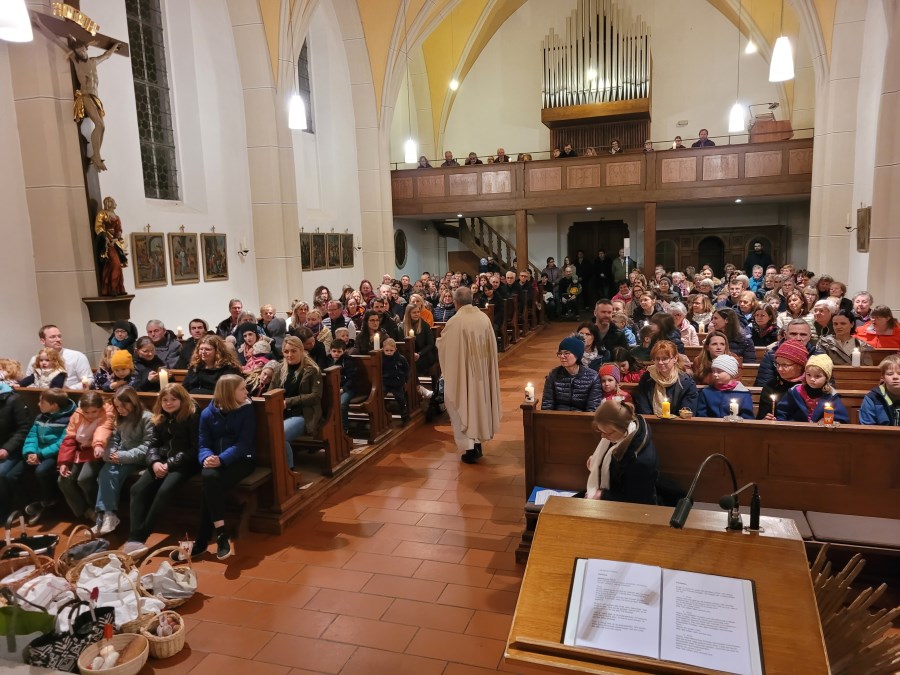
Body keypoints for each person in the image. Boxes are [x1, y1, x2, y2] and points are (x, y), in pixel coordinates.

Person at [181, 375, 256, 560]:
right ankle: (221, 533)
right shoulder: (208, 413)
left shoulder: (247, 409)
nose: (246, 392)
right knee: (210, 479)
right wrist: (207, 457)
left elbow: (244, 444)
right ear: (229, 392)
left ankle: (202, 541)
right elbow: (203, 443)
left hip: (242, 460)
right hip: (214, 460)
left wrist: (221, 459)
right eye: (242, 389)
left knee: (210, 486)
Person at [122, 384, 199, 556]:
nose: (169, 403)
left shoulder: (192, 416)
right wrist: (155, 462)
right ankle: (134, 538)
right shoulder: (160, 417)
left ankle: (141, 536)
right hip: (161, 462)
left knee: (164, 491)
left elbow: (194, 449)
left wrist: (170, 464)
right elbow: (153, 444)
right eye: (165, 400)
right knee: (137, 489)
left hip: (184, 464)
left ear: (182, 399)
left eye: (173, 399)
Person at [437, 287, 501, 464]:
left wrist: (438, 343)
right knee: (480, 406)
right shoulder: (483, 318)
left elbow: (446, 348)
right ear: (472, 299)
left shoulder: (456, 321)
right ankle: (478, 443)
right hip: (482, 374)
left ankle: (470, 448)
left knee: (462, 405)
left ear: (456, 302)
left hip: (465, 375)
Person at [91, 387, 153, 536]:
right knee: (106, 472)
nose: (120, 410)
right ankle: (108, 515)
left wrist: (122, 456)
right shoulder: (120, 418)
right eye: (117, 407)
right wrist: (111, 453)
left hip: (138, 459)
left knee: (107, 473)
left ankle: (105, 516)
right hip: (120, 456)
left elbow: (147, 446)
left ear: (133, 402)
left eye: (123, 406)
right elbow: (114, 439)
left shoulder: (147, 417)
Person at [267, 336, 322, 480]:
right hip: (281, 413)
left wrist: (288, 402)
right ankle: (274, 472)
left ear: (302, 351)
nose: (289, 355)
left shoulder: (312, 370)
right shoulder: (280, 369)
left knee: (280, 435)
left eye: (293, 351)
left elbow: (315, 396)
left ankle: (289, 474)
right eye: (286, 352)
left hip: (303, 414)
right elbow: (270, 392)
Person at [585, 399, 658, 504]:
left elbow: (637, 501)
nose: (603, 436)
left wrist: (602, 495)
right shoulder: (626, 426)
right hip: (610, 495)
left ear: (622, 429)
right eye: (601, 431)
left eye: (607, 433)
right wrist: (597, 461)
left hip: (631, 509)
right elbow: (611, 456)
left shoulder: (641, 461)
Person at [57, 392, 115, 523]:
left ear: (100, 408)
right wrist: (64, 463)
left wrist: (99, 444)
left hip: (97, 451)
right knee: (63, 480)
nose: (90, 415)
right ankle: (86, 511)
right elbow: (70, 438)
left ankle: (99, 510)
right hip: (80, 451)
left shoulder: (106, 413)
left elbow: (103, 429)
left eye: (94, 411)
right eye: (86, 412)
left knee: (85, 478)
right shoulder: (77, 415)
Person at [20, 388, 75, 524]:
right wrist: (30, 452)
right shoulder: (41, 417)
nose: (38, 404)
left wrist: (41, 455)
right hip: (37, 452)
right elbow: (32, 436)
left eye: (42, 402)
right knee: (22, 468)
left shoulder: (68, 419)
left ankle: (47, 501)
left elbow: (62, 442)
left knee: (42, 471)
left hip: (54, 454)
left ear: (54, 405)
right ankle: (34, 502)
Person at [776, 355, 849, 424]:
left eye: (817, 376)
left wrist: (829, 420)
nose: (812, 379)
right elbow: (782, 412)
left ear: (826, 378)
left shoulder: (831, 395)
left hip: (820, 433)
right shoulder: (795, 391)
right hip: (796, 431)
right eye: (808, 375)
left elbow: (841, 418)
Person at [633, 340, 698, 415]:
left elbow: (687, 410)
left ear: (675, 358)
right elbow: (643, 405)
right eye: (657, 359)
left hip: (677, 424)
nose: (660, 362)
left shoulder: (686, 382)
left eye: (665, 358)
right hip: (651, 422)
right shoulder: (647, 378)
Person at [541, 336, 603, 412]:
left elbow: (593, 408)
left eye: (566, 353)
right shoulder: (553, 374)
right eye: (560, 353)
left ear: (577, 355)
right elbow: (547, 404)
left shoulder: (593, 377)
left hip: (581, 420)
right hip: (558, 418)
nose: (562, 356)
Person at [754, 319, 822, 387]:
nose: (798, 338)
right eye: (793, 334)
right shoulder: (771, 355)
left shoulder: (817, 356)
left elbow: (824, 386)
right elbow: (764, 385)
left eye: (803, 335)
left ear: (809, 337)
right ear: (785, 335)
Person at [0, 379, 31, 520]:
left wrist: (7, 448)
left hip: (13, 448)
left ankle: (4, 513)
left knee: (1, 473)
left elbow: (24, 428)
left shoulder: (14, 400)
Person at [24, 325, 92, 389]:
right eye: (53, 337)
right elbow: (29, 381)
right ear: (43, 341)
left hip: (70, 395)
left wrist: (70, 389)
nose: (58, 339)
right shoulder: (35, 359)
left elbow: (89, 379)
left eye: (59, 336)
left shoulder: (77, 356)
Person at [756, 340, 809, 420]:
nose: (779, 369)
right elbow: (761, 417)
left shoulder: (809, 385)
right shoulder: (771, 386)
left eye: (785, 365)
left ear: (800, 365)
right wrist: (765, 419)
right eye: (777, 364)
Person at [696, 355, 754, 420]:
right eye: (713, 371)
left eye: (719, 371)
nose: (715, 374)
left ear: (731, 373)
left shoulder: (743, 394)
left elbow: (748, 418)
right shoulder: (706, 392)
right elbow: (701, 415)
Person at [403, 304, 436, 398]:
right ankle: (415, 391)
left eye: (418, 312)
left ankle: (414, 392)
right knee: (405, 364)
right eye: (414, 312)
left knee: (411, 366)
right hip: (409, 356)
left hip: (425, 355)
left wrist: (419, 354)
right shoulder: (402, 326)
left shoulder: (424, 325)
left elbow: (430, 344)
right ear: (408, 314)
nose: (417, 314)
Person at [858, 355, 900, 426]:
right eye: (890, 374)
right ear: (883, 377)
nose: (895, 377)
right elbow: (867, 429)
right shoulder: (872, 398)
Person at [325, 339, 355, 434]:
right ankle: (330, 427)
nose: (336, 354)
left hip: (347, 389)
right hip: (331, 388)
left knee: (342, 404)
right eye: (334, 351)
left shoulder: (348, 361)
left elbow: (352, 379)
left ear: (344, 351)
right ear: (330, 351)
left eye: (339, 351)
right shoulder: (327, 360)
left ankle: (344, 428)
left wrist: (343, 389)